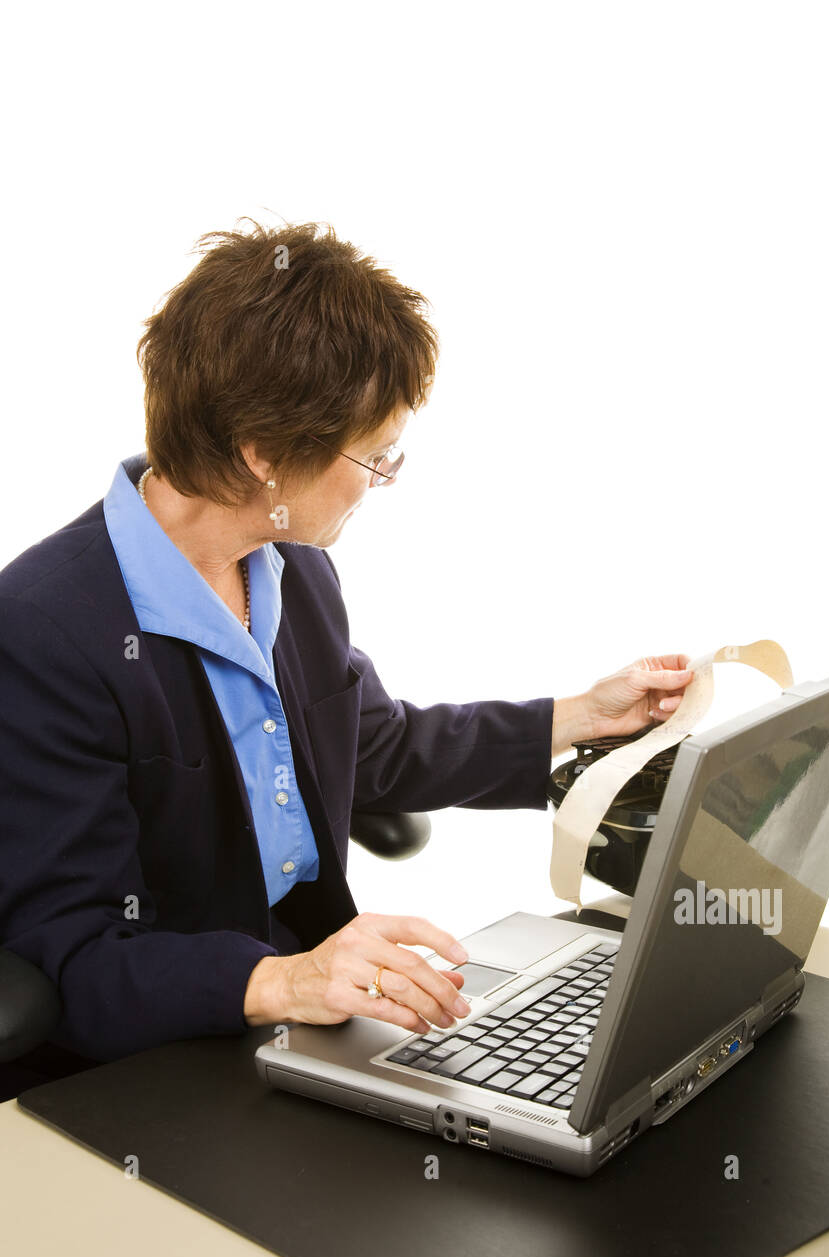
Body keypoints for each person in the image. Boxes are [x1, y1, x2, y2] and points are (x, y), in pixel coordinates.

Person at [0, 220, 692, 1081]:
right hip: (153, 1055)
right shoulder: (43, 632)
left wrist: (583, 716)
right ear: (262, 457)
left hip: (303, 1015)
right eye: (374, 455)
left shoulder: (291, 567)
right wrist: (285, 980)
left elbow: (376, 749)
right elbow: (76, 959)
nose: (382, 480)